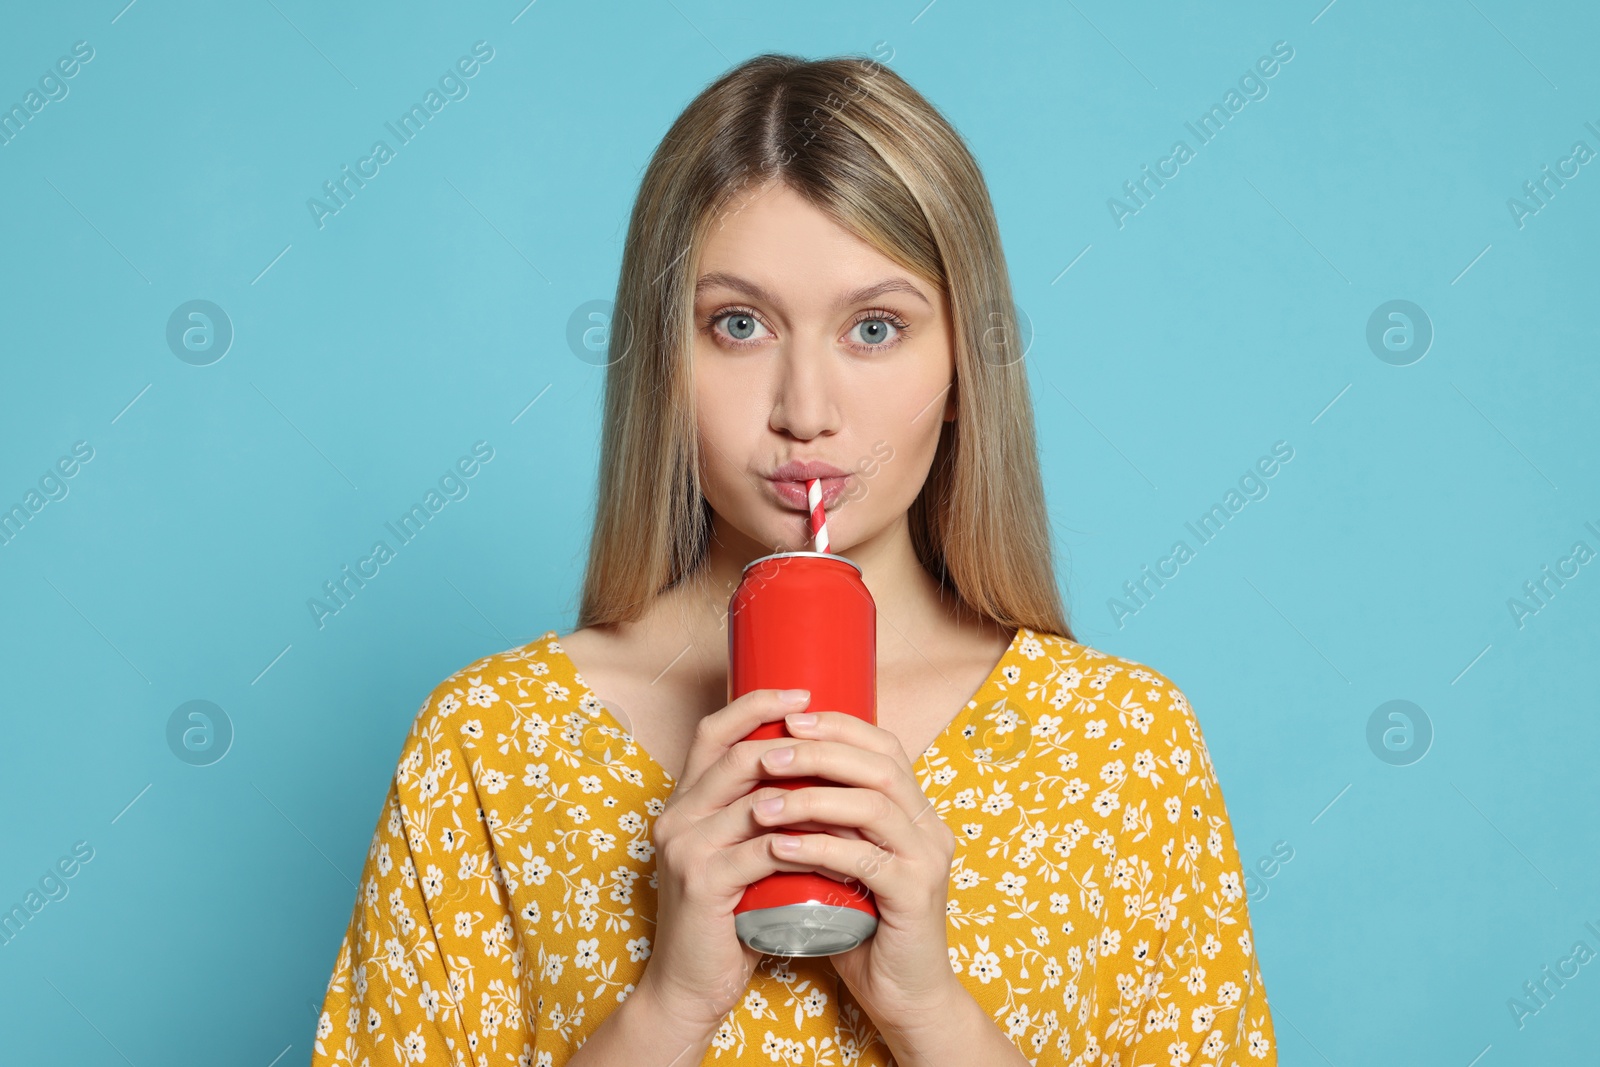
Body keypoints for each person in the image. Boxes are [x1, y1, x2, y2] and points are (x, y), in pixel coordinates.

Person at [311, 52, 1275, 1067]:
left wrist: (929, 1009)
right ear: (662, 365)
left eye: (874, 327)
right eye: (737, 325)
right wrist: (668, 1005)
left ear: (961, 370)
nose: (804, 410)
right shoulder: (490, 745)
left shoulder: (1120, 747)